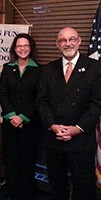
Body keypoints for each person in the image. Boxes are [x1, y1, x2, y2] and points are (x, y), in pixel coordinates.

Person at [36, 27, 101, 200]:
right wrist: (53, 126)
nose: (68, 43)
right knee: (57, 186)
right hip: (54, 139)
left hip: (81, 140)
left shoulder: (95, 68)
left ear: (79, 41)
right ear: (58, 45)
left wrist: (77, 128)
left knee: (84, 187)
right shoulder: (48, 70)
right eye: (63, 40)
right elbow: (41, 102)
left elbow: (97, 104)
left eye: (72, 39)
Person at [0, 33, 41, 200]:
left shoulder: (39, 70)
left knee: (27, 161)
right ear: (14, 49)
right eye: (19, 46)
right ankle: (11, 192)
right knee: (10, 159)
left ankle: (26, 194)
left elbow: (40, 98)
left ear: (30, 48)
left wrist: (22, 117)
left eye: (26, 45)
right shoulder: (7, 68)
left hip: (30, 124)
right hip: (10, 123)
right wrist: (12, 116)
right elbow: (2, 94)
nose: (22, 49)